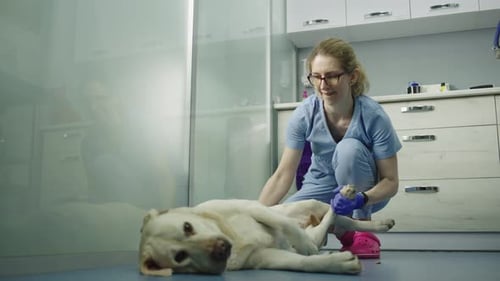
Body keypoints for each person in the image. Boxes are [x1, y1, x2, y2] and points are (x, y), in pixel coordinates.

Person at [258, 38, 401, 259]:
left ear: (352, 76)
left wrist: (361, 199)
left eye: (333, 75)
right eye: (317, 76)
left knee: (348, 149)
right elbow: (282, 175)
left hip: (365, 190)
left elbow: (390, 182)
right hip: (320, 185)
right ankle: (342, 230)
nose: (323, 85)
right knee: (283, 228)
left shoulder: (373, 116)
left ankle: (362, 230)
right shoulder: (305, 113)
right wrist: (257, 217)